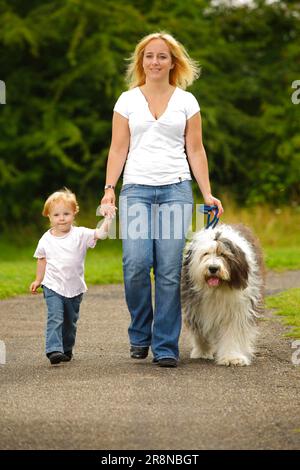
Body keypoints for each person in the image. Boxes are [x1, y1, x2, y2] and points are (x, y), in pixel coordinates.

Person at [100, 32, 223, 368]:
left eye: (162, 56)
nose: (155, 62)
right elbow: (118, 147)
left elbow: (195, 149)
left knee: (169, 270)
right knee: (136, 264)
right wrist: (110, 187)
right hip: (136, 189)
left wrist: (207, 192)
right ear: (141, 61)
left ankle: (166, 345)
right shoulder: (126, 101)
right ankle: (140, 334)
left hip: (175, 190)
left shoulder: (187, 102)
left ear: (173, 62)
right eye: (149, 56)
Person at [30, 188, 115, 365]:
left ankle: (66, 349)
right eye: (56, 215)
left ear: (74, 213)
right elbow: (42, 260)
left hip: (74, 287)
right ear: (49, 216)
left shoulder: (81, 234)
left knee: (70, 322)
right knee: (55, 317)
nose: (61, 218)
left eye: (66, 214)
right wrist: (38, 280)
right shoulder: (45, 239)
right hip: (52, 285)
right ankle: (54, 349)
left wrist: (108, 219)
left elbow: (101, 234)